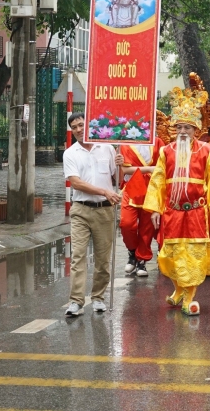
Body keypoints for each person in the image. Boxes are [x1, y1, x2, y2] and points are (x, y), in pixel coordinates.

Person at [143, 87, 210, 316]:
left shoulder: (207, 152)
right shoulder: (166, 152)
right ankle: (178, 290)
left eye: (187, 128)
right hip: (172, 211)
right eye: (179, 127)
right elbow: (157, 181)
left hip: (195, 213)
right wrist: (154, 208)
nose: (183, 131)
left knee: (192, 255)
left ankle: (189, 297)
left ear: (196, 130)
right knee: (170, 254)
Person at [63, 112, 123, 317]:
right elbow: (76, 182)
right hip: (80, 209)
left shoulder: (107, 148)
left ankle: (98, 297)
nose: (79, 130)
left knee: (103, 258)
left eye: (81, 125)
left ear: (90, 126)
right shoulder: (70, 153)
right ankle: (76, 301)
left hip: (105, 210)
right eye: (75, 127)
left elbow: (118, 179)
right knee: (78, 255)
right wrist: (104, 191)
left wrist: (120, 164)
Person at [119, 135, 167, 277]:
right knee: (126, 224)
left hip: (152, 189)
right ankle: (132, 251)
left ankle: (142, 260)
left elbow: (164, 164)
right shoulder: (125, 142)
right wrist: (149, 169)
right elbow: (125, 170)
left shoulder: (157, 141)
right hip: (133, 188)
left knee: (147, 227)